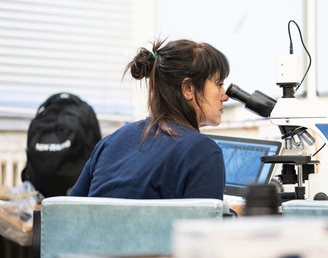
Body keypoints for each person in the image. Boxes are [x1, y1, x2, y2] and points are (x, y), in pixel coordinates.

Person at [70, 38, 230, 200]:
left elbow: (68, 210)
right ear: (188, 89)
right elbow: (205, 224)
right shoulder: (203, 152)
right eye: (219, 84)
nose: (225, 96)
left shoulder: (111, 141)